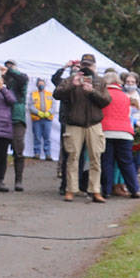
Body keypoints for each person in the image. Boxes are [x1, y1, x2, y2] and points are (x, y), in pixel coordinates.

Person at [52, 53, 111, 202]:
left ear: (94, 66)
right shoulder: (70, 80)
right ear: (80, 65)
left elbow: (106, 101)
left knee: (96, 158)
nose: (86, 68)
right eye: (84, 65)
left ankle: (95, 190)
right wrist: (73, 84)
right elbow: (57, 94)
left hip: (94, 124)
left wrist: (92, 91)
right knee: (72, 157)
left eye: (89, 65)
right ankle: (71, 189)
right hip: (74, 124)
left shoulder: (100, 81)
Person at [100, 70, 140, 198]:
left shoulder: (103, 95)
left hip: (107, 131)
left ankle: (106, 191)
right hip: (125, 132)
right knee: (127, 163)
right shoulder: (125, 96)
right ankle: (134, 189)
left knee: (107, 162)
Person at [3, 61, 29, 190]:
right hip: (2, 118)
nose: (9, 68)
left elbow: (22, 79)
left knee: (18, 151)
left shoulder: (21, 80)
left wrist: (10, 70)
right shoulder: (4, 81)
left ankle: (18, 181)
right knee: (1, 151)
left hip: (17, 119)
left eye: (11, 66)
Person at [28, 77, 55, 161]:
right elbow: (30, 106)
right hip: (37, 119)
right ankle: (37, 153)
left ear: (45, 84)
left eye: (42, 84)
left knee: (47, 137)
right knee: (37, 137)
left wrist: (49, 112)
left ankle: (48, 154)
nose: (41, 85)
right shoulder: (33, 94)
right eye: (39, 84)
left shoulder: (50, 94)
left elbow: (53, 106)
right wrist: (38, 112)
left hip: (47, 119)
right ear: (37, 85)